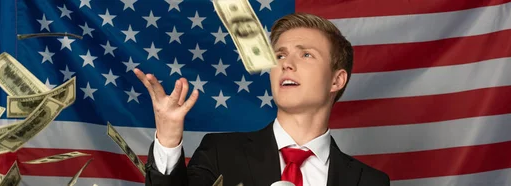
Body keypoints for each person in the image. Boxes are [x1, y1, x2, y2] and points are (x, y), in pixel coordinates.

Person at [134, 12, 390, 186]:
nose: (286, 64)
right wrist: (167, 139)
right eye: (279, 55)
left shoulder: (369, 181)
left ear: (337, 80)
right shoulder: (220, 154)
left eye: (306, 55)